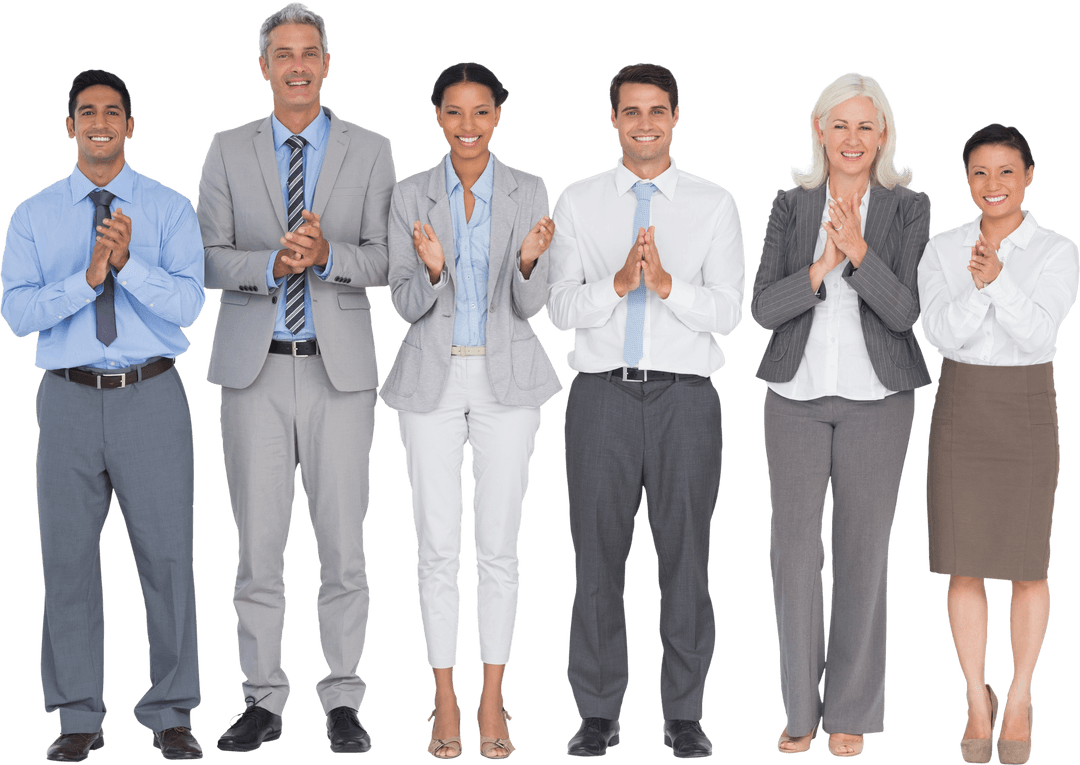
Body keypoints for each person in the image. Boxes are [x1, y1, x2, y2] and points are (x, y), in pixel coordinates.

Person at [195, 2, 395, 754]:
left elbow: (386, 260)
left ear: (328, 63)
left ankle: (343, 696)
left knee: (344, 543)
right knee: (258, 546)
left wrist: (327, 256)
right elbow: (207, 258)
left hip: (340, 376)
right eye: (283, 53)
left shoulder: (371, 150)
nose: (298, 64)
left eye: (310, 51)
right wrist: (270, 265)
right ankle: (262, 697)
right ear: (264, 67)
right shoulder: (226, 148)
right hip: (254, 371)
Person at [0, 68, 205, 763]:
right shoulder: (32, 214)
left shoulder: (169, 208)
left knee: (168, 557)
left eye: (112, 112)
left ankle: (172, 712)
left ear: (130, 125)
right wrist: (86, 279)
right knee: (67, 561)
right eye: (86, 111)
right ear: (68, 126)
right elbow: (18, 312)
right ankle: (78, 714)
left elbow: (187, 305)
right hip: (66, 399)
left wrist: (128, 266)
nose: (99, 122)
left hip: (151, 394)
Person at [547, 61, 744, 760]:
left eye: (657, 110)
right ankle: (598, 711)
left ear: (677, 117)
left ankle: (684, 712)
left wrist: (663, 285)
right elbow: (560, 305)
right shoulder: (579, 201)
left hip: (684, 397)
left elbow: (728, 309)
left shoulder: (713, 203)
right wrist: (617, 282)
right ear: (613, 119)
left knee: (686, 556)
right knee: (596, 557)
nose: (645, 124)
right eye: (631, 111)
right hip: (600, 393)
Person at [380, 61, 561, 760]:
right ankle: (444, 696)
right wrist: (429, 268)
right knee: (435, 545)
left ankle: (493, 695)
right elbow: (400, 302)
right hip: (430, 378)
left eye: (480, 111)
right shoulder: (409, 195)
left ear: (498, 115)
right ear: (436, 116)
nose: (467, 125)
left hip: (505, 380)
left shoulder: (529, 189)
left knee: (498, 546)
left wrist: (526, 261)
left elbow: (533, 304)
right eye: (454, 112)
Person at [749, 72, 931, 758]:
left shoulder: (908, 206)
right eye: (840, 124)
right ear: (818, 130)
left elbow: (906, 311)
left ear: (882, 134)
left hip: (880, 399)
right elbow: (763, 309)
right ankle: (800, 708)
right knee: (793, 553)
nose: (852, 139)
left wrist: (857, 255)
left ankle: (851, 708)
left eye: (866, 126)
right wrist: (819, 269)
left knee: (865, 553)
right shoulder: (788, 205)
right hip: (793, 396)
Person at [918, 124, 1077, 765]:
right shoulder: (941, 248)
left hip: (1028, 405)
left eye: (1006, 172)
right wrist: (985, 291)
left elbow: (1039, 337)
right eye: (980, 173)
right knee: (964, 563)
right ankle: (975, 700)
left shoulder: (1058, 250)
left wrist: (993, 282)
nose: (993, 185)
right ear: (967, 180)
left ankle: (1018, 698)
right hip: (962, 405)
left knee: (1028, 564)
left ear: (1029, 175)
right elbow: (941, 335)